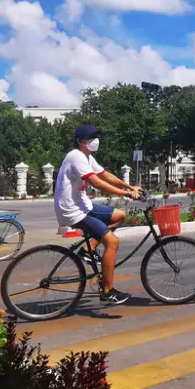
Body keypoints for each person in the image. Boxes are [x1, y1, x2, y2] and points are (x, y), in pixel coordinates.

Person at [54, 125, 141, 306]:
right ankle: (108, 291)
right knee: (112, 242)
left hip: (83, 205)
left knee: (119, 216)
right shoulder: (76, 156)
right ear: (80, 142)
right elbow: (96, 182)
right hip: (72, 211)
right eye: (91, 138)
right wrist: (124, 194)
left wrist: (130, 187)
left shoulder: (86, 157)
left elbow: (105, 175)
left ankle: (88, 249)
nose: (96, 140)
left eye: (96, 137)